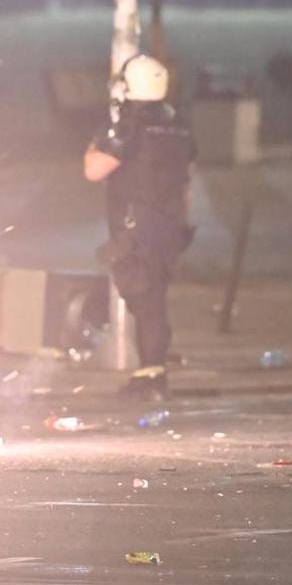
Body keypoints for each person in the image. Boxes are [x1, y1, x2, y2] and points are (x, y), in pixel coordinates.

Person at [84, 54, 196, 402]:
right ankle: (150, 368)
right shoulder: (177, 126)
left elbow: (93, 169)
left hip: (137, 226)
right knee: (152, 296)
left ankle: (152, 373)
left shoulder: (130, 127)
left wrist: (101, 134)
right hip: (169, 224)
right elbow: (187, 180)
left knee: (145, 299)